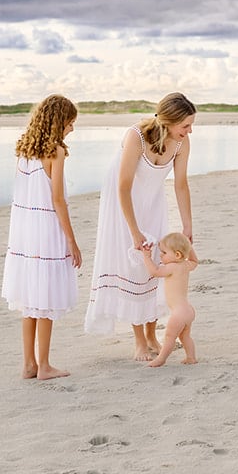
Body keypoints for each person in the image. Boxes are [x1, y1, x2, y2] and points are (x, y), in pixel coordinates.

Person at [84, 93, 196, 360]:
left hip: (153, 203)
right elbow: (122, 186)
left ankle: (152, 336)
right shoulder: (136, 136)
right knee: (133, 266)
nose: (190, 130)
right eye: (186, 125)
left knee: (156, 261)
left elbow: (181, 184)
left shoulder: (182, 143)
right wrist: (134, 231)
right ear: (169, 121)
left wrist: (187, 226)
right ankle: (139, 342)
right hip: (123, 206)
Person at [1, 95, 82, 379]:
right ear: (59, 122)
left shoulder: (24, 150)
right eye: (70, 123)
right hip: (47, 230)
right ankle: (45, 365)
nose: (72, 129)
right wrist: (72, 241)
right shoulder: (56, 151)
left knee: (30, 302)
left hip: (24, 232)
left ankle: (28, 365)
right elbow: (58, 199)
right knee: (45, 299)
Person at [137, 232, 199, 366]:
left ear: (177, 255)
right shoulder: (185, 266)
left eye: (164, 253)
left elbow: (154, 272)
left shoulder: (172, 267)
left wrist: (147, 257)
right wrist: (189, 246)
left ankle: (161, 359)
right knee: (184, 336)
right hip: (188, 311)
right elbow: (194, 261)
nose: (160, 255)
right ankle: (191, 357)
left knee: (170, 337)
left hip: (178, 314)